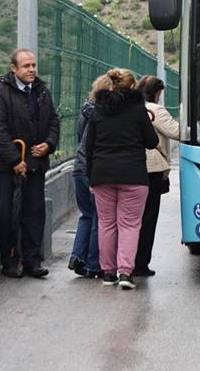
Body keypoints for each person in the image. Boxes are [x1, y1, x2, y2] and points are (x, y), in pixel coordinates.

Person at [0, 48, 60, 279]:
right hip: (5, 167)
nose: (31, 70)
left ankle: (32, 261)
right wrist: (15, 160)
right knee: (7, 214)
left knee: (34, 213)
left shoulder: (41, 91)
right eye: (26, 66)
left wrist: (48, 144)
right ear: (13, 68)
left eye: (34, 65)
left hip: (35, 164)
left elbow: (54, 121)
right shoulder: (0, 92)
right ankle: (9, 261)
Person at [86, 68, 158, 289]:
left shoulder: (98, 110)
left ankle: (108, 273)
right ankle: (125, 273)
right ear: (132, 87)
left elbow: (89, 147)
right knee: (130, 225)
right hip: (133, 175)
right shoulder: (138, 111)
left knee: (106, 224)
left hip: (102, 174)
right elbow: (151, 142)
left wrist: (91, 177)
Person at [134, 75, 180, 277]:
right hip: (152, 169)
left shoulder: (132, 107)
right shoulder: (155, 109)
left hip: (132, 167)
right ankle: (141, 263)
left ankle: (125, 260)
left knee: (131, 219)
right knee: (148, 218)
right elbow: (176, 131)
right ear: (156, 93)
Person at [67, 74, 112, 279]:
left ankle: (77, 256)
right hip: (94, 170)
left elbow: (81, 139)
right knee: (99, 218)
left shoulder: (85, 110)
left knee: (86, 215)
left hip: (79, 167)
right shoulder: (105, 114)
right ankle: (94, 264)